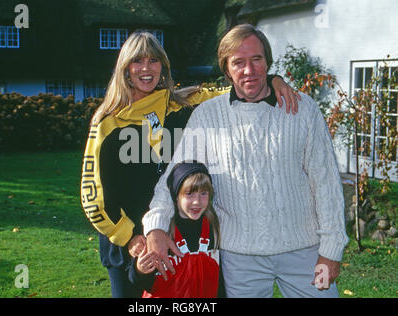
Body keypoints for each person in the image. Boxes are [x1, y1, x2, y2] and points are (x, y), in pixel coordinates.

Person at [80, 30, 299, 298]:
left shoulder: (185, 105)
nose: (146, 68)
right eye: (138, 61)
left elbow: (239, 87)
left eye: (154, 60)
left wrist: (273, 81)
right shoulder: (108, 123)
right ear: (125, 69)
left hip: (181, 236)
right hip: (130, 246)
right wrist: (131, 238)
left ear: (164, 67)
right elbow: (94, 197)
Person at [142, 24, 349, 298]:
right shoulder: (207, 116)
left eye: (256, 60)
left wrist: (331, 250)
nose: (249, 70)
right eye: (238, 63)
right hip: (239, 259)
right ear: (227, 70)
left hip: (305, 252)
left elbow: (326, 183)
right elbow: (173, 178)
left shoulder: (303, 109)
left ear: (267, 62)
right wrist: (155, 226)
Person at [128, 161, 220, 298]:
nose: (197, 201)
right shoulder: (160, 231)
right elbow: (138, 281)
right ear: (176, 196)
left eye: (203, 193)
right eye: (189, 194)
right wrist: (140, 270)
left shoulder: (214, 227)